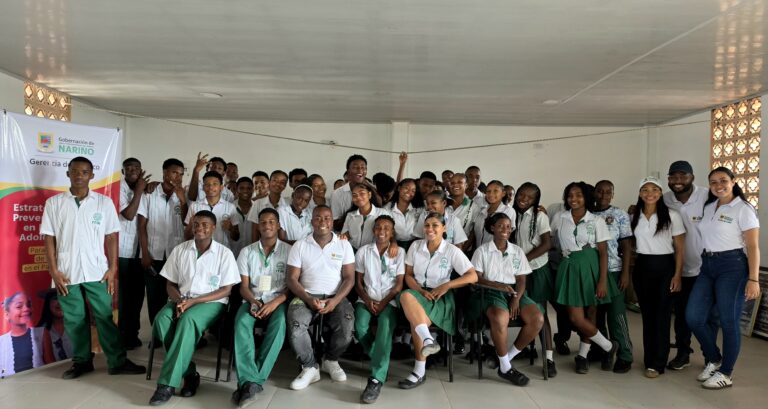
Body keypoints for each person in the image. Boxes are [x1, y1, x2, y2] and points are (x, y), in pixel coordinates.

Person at [41, 156, 146, 379]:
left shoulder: (103, 203)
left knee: (105, 316)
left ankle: (117, 361)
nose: (79, 176)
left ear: (91, 175)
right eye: (75, 171)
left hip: (98, 270)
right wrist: (53, 270)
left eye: (84, 172)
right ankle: (81, 362)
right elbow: (49, 238)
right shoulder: (54, 203)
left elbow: (111, 237)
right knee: (74, 318)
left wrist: (112, 268)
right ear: (68, 173)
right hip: (66, 271)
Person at [148, 210, 241, 405]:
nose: (199, 228)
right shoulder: (180, 250)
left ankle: (166, 384)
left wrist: (193, 303)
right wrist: (181, 300)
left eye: (205, 224)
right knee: (161, 320)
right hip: (181, 299)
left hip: (211, 303)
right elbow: (170, 284)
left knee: (187, 321)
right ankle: (190, 373)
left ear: (213, 228)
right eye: (196, 224)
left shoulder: (224, 253)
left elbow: (226, 290)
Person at [686, 167, 760, 389]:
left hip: (733, 267)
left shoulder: (743, 209)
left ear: (733, 181)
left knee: (729, 321)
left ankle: (726, 373)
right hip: (707, 265)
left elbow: (753, 246)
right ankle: (714, 358)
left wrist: (754, 279)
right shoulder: (709, 207)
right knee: (694, 317)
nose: (719, 185)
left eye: (723, 180)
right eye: (713, 182)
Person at [397, 212, 478, 389]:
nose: (430, 229)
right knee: (407, 296)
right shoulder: (416, 246)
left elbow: (472, 276)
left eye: (435, 225)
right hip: (417, 292)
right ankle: (427, 342)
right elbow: (409, 275)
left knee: (415, 320)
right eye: (427, 225)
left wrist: (447, 286)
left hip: (439, 296)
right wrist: (419, 290)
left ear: (444, 228)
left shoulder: (451, 250)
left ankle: (419, 371)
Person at [550, 181, 619, 374]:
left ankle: (582, 356)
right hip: (569, 266)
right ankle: (608, 346)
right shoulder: (559, 217)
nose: (574, 199)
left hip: (591, 266)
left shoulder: (596, 220)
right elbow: (550, 240)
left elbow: (604, 252)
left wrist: (602, 281)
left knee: (591, 314)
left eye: (578, 195)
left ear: (586, 197)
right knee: (575, 317)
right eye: (570, 195)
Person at [285, 205, 356, 390]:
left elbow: (349, 278)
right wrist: (308, 298)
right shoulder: (300, 245)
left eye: (326, 218)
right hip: (306, 295)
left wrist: (335, 300)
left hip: (335, 296)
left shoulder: (343, 244)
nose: (322, 222)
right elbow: (291, 279)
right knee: (295, 326)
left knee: (347, 327)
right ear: (311, 221)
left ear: (332, 221)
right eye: (317, 218)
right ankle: (309, 366)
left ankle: (330, 360)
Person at [468, 213, 544, 386]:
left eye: (508, 226)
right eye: (500, 226)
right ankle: (506, 367)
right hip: (489, 291)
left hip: (514, 291)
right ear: (492, 228)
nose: (505, 229)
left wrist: (516, 299)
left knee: (537, 318)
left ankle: (505, 359)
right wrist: (497, 286)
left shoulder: (517, 251)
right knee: (500, 317)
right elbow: (476, 278)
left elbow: (522, 280)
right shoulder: (482, 250)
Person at [231, 208, 291, 406]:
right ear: (258, 226)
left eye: (271, 222)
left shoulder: (290, 251)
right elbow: (244, 287)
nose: (267, 226)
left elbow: (292, 286)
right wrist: (254, 302)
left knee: (280, 323)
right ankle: (251, 381)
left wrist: (274, 303)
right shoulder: (247, 252)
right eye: (263, 222)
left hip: (277, 300)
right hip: (253, 299)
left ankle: (252, 380)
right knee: (241, 323)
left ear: (278, 225)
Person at [630, 177, 685, 378]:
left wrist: (677, 275)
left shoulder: (672, 215)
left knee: (661, 316)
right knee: (648, 316)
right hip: (643, 266)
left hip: (665, 267)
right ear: (639, 193)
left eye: (654, 189)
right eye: (645, 189)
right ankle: (648, 359)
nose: (649, 193)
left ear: (661, 193)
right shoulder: (635, 215)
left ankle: (658, 363)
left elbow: (679, 248)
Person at [663, 160, 711, 371]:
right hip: (678, 268)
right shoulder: (665, 199)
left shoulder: (707, 195)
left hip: (706, 267)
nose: (678, 181)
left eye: (683, 176)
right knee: (682, 314)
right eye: (673, 177)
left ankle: (710, 355)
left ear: (692, 177)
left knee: (707, 316)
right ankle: (683, 352)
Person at [354, 215, 405, 403]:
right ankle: (380, 355)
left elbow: (399, 284)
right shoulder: (363, 251)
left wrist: (384, 302)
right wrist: (367, 300)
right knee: (359, 326)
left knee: (384, 327)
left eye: (386, 228)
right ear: (373, 230)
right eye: (378, 228)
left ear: (392, 232)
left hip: (389, 301)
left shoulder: (399, 253)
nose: (381, 231)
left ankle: (376, 378)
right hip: (366, 299)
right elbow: (358, 283)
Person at [137, 158, 188, 332]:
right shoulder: (149, 193)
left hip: (176, 255)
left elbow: (187, 224)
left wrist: (183, 202)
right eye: (174, 172)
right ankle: (157, 334)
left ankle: (175, 331)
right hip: (154, 254)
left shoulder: (182, 194)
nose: (178, 177)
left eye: (181, 174)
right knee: (154, 296)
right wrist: (144, 253)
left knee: (177, 295)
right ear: (164, 172)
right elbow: (141, 226)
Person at [512, 182, 556, 376]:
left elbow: (547, 244)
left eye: (529, 197)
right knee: (525, 310)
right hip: (520, 271)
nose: (523, 199)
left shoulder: (540, 216)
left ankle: (549, 358)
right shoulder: (514, 214)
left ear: (535, 200)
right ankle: (526, 348)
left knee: (540, 312)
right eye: (521, 194)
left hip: (537, 269)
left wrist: (525, 259)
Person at [592, 180, 635, 373]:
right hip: (592, 271)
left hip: (614, 270)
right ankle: (601, 349)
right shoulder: (587, 214)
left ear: (613, 194)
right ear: (594, 193)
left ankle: (625, 354)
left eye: (608, 192)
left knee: (616, 315)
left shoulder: (619, 215)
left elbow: (626, 246)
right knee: (595, 315)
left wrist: (625, 273)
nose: (603, 195)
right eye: (600, 191)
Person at [117, 157, 150, 349]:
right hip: (121, 250)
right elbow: (129, 215)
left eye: (136, 168)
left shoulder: (144, 188)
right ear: (123, 172)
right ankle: (121, 335)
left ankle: (132, 333)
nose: (132, 170)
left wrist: (143, 189)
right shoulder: (119, 189)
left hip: (138, 251)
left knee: (137, 296)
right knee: (123, 297)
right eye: (128, 168)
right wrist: (139, 191)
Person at [184, 171, 240, 249]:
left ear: (221, 187)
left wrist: (231, 228)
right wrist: (191, 224)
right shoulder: (194, 206)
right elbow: (186, 236)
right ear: (203, 187)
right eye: (207, 184)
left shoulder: (230, 207)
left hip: (222, 251)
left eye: (215, 184)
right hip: (199, 250)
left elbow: (236, 237)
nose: (210, 187)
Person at [0, 292, 44, 375]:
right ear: (6, 314)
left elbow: (51, 363)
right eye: (19, 306)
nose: (26, 309)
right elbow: (2, 370)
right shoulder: (1, 342)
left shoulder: (41, 333)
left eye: (28, 305)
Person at [470, 180, 516, 251]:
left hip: (496, 254)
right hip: (479, 253)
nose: (491, 194)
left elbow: (506, 236)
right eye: (488, 191)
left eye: (495, 191)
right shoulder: (481, 211)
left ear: (503, 193)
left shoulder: (508, 211)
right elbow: (474, 234)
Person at [341, 183, 389, 251]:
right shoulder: (350, 215)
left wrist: (393, 243)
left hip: (373, 251)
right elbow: (345, 234)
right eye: (354, 195)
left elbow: (390, 233)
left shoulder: (382, 213)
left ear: (369, 195)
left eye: (362, 193)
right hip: (353, 250)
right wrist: (344, 236)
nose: (358, 197)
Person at [247, 170, 289, 242]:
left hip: (284, 244)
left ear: (285, 186)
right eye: (275, 181)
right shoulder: (258, 203)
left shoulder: (288, 203)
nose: (278, 184)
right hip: (263, 245)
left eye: (282, 182)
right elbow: (255, 230)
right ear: (269, 182)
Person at [331, 154, 368, 229]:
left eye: (363, 167)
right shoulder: (337, 194)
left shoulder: (371, 190)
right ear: (348, 171)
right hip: (345, 237)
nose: (360, 170)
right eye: (355, 167)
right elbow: (335, 224)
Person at [36, 289, 73, 363]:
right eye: (55, 298)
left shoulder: (81, 327)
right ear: (48, 303)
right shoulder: (39, 333)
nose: (60, 303)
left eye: (64, 298)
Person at [385, 178, 421, 249]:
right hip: (393, 244)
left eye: (413, 191)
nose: (409, 192)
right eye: (406, 188)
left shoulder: (418, 208)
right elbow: (386, 228)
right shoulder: (387, 208)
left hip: (414, 244)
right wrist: (393, 242)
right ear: (399, 188)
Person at [448, 173, 482, 238]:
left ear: (466, 185)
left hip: (464, 246)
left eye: (459, 182)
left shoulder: (473, 207)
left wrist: (464, 247)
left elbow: (474, 232)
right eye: (452, 183)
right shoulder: (443, 203)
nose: (455, 185)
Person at [231, 177, 255, 258]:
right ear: (237, 190)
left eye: (249, 188)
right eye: (242, 188)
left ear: (253, 190)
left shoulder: (258, 208)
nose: (245, 191)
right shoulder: (229, 207)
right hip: (233, 254)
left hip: (253, 254)